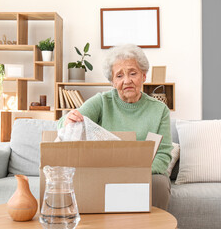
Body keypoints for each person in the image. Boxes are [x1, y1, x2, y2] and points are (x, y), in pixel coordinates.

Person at [57, 44, 172, 210]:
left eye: (133, 73)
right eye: (119, 76)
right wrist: (68, 120)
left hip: (146, 171)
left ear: (144, 75)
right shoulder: (101, 101)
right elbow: (64, 125)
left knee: (159, 185)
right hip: (106, 169)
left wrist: (135, 171)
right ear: (112, 82)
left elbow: (163, 155)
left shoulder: (159, 109)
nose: (127, 81)